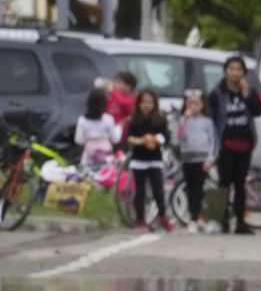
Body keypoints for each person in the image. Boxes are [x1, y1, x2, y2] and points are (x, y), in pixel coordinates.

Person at [210, 56, 261, 235]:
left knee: (240, 183)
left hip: (245, 143)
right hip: (225, 144)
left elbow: (258, 111)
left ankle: (241, 222)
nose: (235, 73)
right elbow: (211, 118)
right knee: (223, 182)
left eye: (239, 69)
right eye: (231, 69)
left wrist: (248, 94)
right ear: (225, 71)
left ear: (244, 73)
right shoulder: (217, 93)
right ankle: (220, 220)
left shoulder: (247, 90)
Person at [124, 89, 171, 233]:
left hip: (155, 159)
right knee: (140, 191)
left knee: (158, 190)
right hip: (139, 160)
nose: (146, 105)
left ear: (154, 104)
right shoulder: (134, 120)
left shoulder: (160, 120)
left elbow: (165, 137)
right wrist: (142, 140)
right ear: (138, 104)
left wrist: (157, 140)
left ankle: (162, 216)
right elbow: (129, 138)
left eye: (150, 102)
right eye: (143, 102)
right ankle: (140, 219)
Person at [176, 91, 217, 233]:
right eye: (190, 103)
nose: (193, 106)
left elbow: (213, 140)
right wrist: (184, 120)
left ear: (202, 105)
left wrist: (210, 158)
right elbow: (180, 137)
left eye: (196, 103)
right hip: (188, 159)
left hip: (202, 159)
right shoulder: (183, 120)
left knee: (199, 190)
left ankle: (198, 217)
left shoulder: (207, 121)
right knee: (190, 189)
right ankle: (192, 219)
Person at [75, 87, 121, 166]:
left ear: (88, 102)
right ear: (104, 103)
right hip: (106, 156)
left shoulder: (82, 120)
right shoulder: (108, 119)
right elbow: (115, 139)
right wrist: (120, 127)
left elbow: (79, 140)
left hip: (89, 156)